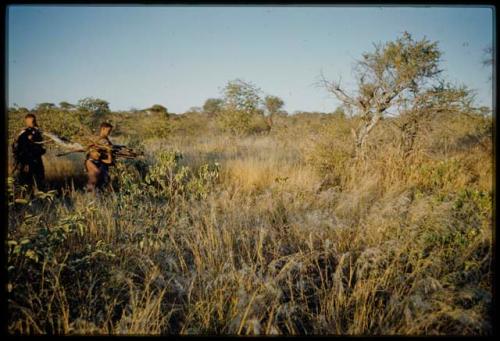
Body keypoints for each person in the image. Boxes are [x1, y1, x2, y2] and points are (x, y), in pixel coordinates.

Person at [12, 113, 46, 190]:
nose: (32, 123)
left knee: (39, 178)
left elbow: (41, 147)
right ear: (26, 122)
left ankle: (39, 195)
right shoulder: (23, 133)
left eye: (33, 121)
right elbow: (16, 147)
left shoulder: (38, 132)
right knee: (26, 180)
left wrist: (41, 150)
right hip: (25, 160)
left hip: (36, 159)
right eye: (29, 122)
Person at [85, 122, 115, 192]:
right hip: (91, 161)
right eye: (108, 131)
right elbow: (89, 150)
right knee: (94, 178)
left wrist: (108, 152)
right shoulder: (95, 139)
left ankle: (102, 195)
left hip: (101, 162)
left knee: (104, 180)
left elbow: (109, 160)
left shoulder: (107, 141)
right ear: (103, 129)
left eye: (110, 131)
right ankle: (89, 195)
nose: (109, 133)